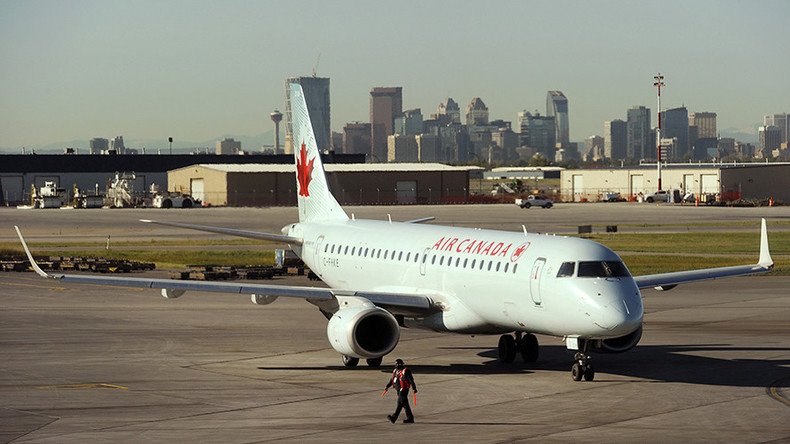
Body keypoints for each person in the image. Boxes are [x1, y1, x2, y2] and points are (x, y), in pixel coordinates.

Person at [384, 358, 417, 423]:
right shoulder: (396, 371)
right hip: (398, 390)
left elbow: (411, 380)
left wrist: (414, 388)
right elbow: (392, 380)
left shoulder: (406, 371)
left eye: (397, 364)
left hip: (403, 390)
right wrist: (387, 386)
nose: (396, 365)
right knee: (404, 404)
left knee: (400, 403)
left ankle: (394, 417)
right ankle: (410, 418)